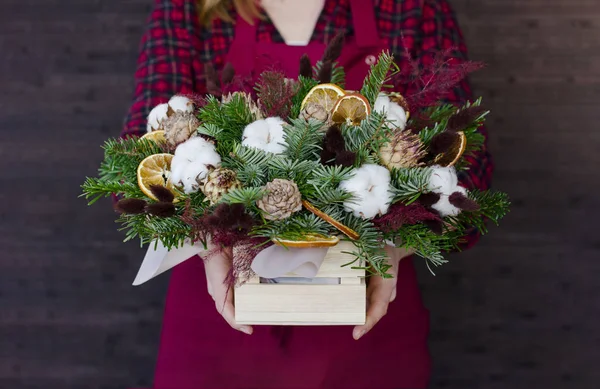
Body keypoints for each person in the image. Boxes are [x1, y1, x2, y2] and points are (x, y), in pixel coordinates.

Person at [121, 0, 493, 388]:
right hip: (218, 325)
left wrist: (396, 245)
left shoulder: (409, 7)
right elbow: (137, 158)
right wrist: (210, 244)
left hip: (366, 327)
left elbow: (470, 168)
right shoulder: (188, 8)